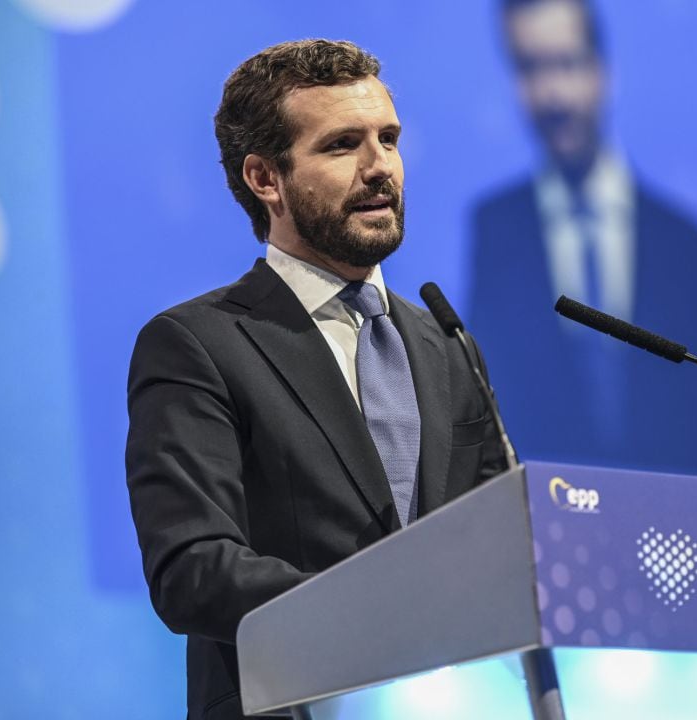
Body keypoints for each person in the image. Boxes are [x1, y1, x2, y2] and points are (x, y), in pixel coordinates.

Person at [125, 40, 507, 720]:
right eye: (341, 146)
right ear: (265, 179)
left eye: (388, 139)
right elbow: (192, 571)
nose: (379, 168)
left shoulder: (446, 344)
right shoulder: (198, 346)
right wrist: (386, 614)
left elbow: (496, 544)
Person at [469, 0, 697, 480]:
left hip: (677, 523)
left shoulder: (684, 244)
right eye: (530, 68)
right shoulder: (495, 231)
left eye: (566, 63)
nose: (552, 95)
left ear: (603, 70)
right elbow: (484, 407)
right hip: (547, 527)